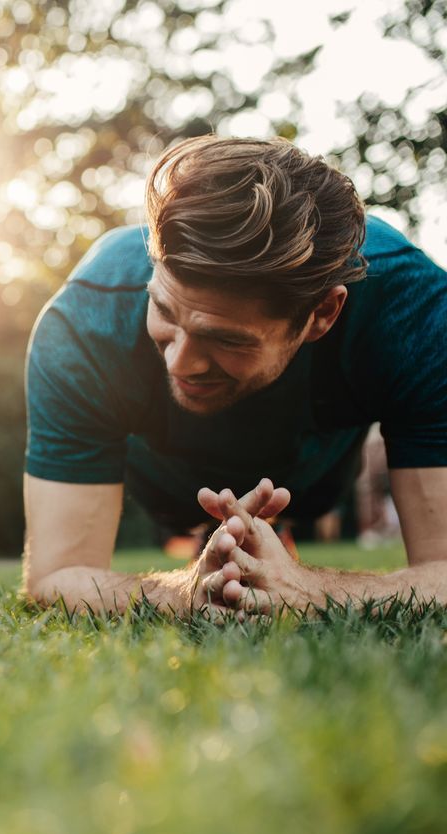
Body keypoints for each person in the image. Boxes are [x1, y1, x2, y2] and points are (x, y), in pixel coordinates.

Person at [23, 135, 447, 614]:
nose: (178, 363)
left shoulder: (417, 314)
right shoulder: (84, 321)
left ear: (323, 313)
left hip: (314, 478)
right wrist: (183, 593)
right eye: (163, 310)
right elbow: (55, 575)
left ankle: (270, 533)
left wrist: (306, 588)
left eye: (226, 339)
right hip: (166, 482)